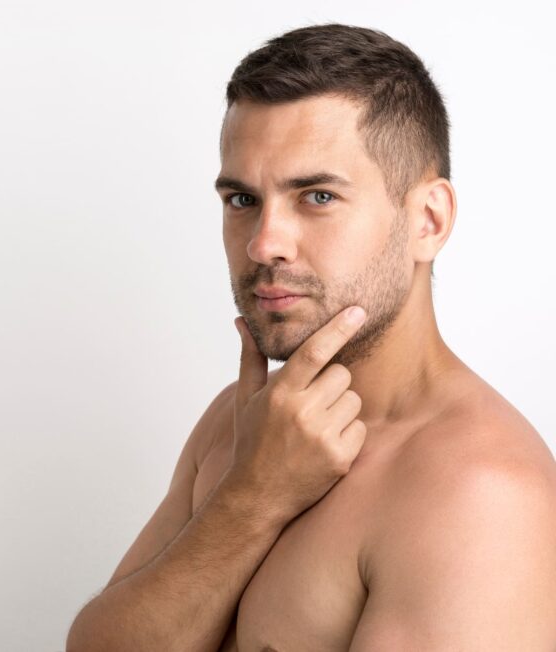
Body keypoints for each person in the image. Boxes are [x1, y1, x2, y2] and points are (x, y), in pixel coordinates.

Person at [66, 23, 556, 651]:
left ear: (427, 221)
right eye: (242, 199)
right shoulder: (238, 425)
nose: (263, 243)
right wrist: (250, 497)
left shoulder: (476, 489)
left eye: (317, 196)